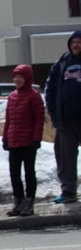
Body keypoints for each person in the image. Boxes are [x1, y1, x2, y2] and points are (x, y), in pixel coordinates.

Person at [2, 64, 45, 217]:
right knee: (14, 173)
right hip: (14, 140)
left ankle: (29, 202)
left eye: (20, 77)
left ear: (27, 78)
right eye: (15, 77)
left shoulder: (34, 96)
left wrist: (36, 138)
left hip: (28, 141)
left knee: (28, 173)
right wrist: (5, 137)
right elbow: (8, 119)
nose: (17, 80)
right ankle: (18, 201)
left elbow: (40, 119)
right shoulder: (12, 96)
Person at [45, 30, 81, 204]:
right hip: (66, 120)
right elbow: (50, 89)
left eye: (79, 42)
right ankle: (68, 191)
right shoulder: (61, 63)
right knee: (65, 157)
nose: (76, 45)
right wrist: (52, 110)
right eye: (73, 42)